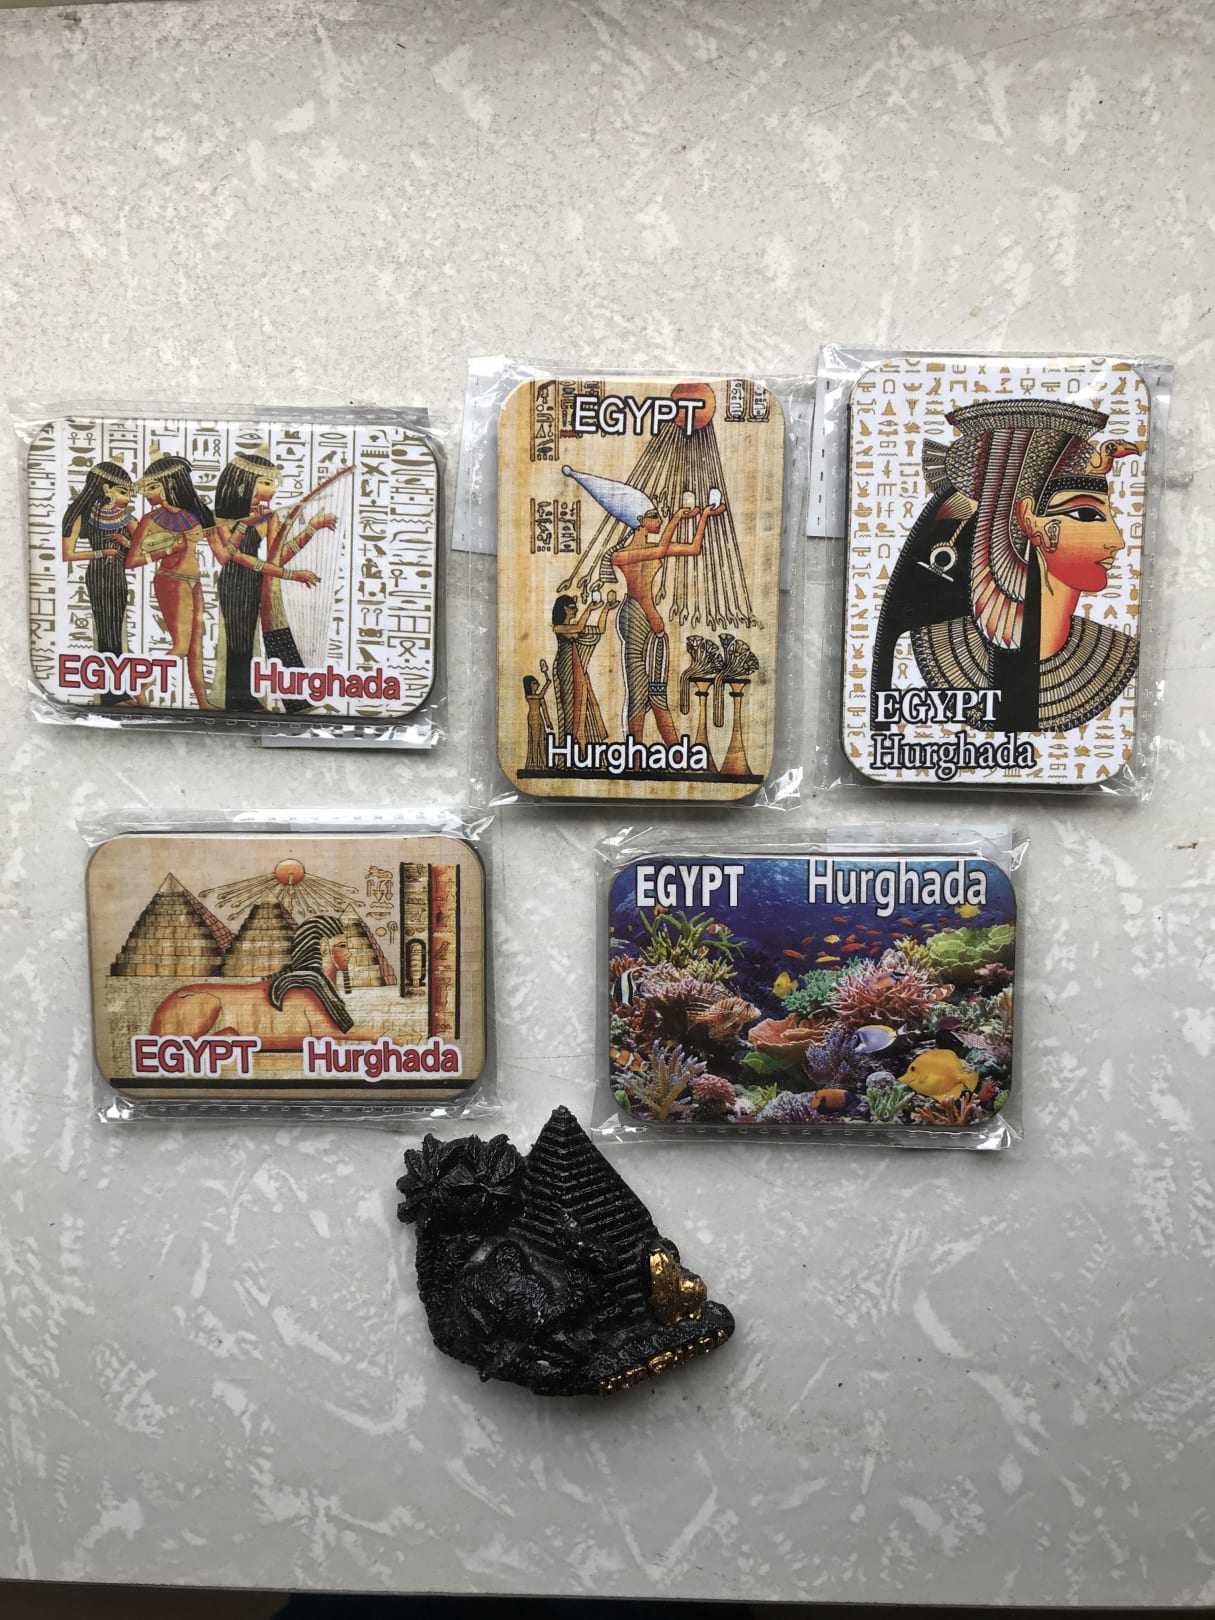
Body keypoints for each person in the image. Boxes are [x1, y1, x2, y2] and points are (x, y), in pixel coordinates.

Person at [871, 399, 1140, 733]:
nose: (1117, 540)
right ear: (1028, 521)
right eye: (1086, 515)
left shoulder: (1122, 652)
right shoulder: (927, 640)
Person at [210, 444, 326, 712]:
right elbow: (230, 556)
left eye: (273, 483)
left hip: (259, 579)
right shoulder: (217, 516)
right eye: (266, 483)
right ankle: (240, 700)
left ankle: (280, 699)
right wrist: (289, 575)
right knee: (239, 640)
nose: (272, 490)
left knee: (262, 635)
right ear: (244, 484)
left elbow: (278, 556)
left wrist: (311, 528)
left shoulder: (268, 516)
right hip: (234, 582)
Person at [125, 445, 219, 709]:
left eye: (152, 487)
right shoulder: (150, 520)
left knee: (195, 648)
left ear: (171, 485)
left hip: (194, 582)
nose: (146, 493)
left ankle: (203, 703)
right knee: (180, 647)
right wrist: (169, 549)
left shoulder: (197, 514)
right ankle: (139, 687)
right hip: (171, 580)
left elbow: (222, 548)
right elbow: (131, 561)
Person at [60, 453, 137, 705]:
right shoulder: (82, 515)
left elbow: (143, 550)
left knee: (117, 630)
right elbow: (67, 554)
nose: (128, 498)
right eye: (123, 492)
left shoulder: (127, 519)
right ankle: (110, 695)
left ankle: (119, 691)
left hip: (118, 575)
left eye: (129, 493)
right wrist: (103, 552)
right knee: (105, 631)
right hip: (98, 575)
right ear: (106, 489)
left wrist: (126, 542)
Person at [550, 592, 617, 745]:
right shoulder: (558, 628)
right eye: (572, 607)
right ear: (564, 609)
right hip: (566, 670)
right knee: (570, 709)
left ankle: (580, 744)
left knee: (582, 707)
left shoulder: (574, 628)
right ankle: (568, 744)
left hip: (577, 670)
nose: (576, 610)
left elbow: (600, 629)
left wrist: (606, 609)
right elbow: (579, 627)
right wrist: (589, 609)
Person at [522, 665, 554, 770]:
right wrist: (547, 684)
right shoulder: (530, 696)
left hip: (540, 718)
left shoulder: (539, 697)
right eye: (535, 683)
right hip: (533, 718)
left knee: (542, 742)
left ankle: (545, 764)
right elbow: (540, 696)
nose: (538, 685)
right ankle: (535, 765)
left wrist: (548, 721)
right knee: (535, 741)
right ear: (530, 685)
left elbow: (544, 709)